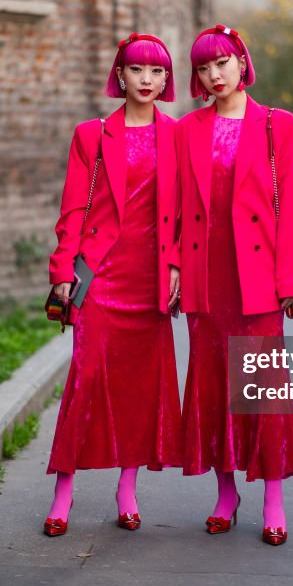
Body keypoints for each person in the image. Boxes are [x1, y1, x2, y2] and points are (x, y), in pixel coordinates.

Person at [44, 33, 183, 537]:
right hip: (100, 276)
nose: (147, 80)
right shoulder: (91, 135)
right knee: (85, 382)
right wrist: (64, 271)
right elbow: (73, 208)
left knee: (140, 389)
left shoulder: (177, 135)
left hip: (150, 281)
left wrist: (177, 268)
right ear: (119, 76)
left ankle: (128, 490)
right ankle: (63, 491)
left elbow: (186, 214)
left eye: (158, 72)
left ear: (167, 80)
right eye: (137, 71)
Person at [175, 24, 293, 546]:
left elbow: (291, 209)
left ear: (242, 62)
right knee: (211, 385)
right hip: (207, 276)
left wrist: (290, 281)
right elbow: (179, 208)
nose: (214, 75)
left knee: (261, 386)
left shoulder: (279, 124)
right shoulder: (187, 129)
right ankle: (226, 494)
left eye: (222, 63)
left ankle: (273, 498)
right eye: (204, 68)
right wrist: (174, 270)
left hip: (258, 280)